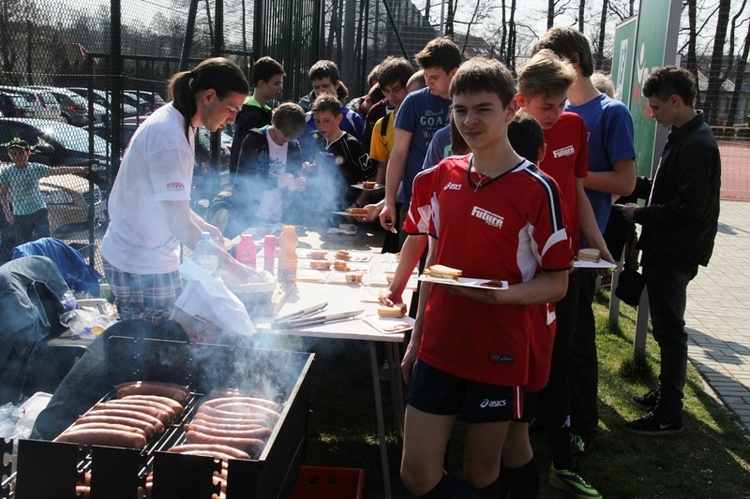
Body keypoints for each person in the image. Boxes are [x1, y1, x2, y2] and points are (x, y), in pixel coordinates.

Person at [396, 56, 571, 498]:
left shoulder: (538, 189)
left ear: (512, 108)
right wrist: (416, 338)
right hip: (440, 341)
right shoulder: (439, 177)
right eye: (460, 110)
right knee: (416, 473)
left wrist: (504, 297)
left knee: (481, 472)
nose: (469, 121)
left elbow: (558, 282)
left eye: (482, 109)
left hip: (499, 349)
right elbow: (433, 261)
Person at [516, 49, 613, 497]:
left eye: (561, 104)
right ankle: (520, 443)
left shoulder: (576, 125)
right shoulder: (512, 135)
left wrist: (599, 243)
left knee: (563, 352)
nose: (556, 115)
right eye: (546, 107)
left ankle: (562, 455)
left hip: (569, 265)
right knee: (527, 355)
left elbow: (576, 193)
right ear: (522, 101)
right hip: (526, 271)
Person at [533, 27, 637, 445]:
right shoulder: (538, 115)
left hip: (580, 248)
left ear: (572, 60)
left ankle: (581, 423)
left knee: (576, 340)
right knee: (548, 336)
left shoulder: (610, 113)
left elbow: (626, 182)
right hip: (543, 248)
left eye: (550, 60)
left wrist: (567, 173)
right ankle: (547, 418)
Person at [100, 57, 260, 324]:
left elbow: (171, 206)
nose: (233, 119)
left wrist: (206, 229)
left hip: (146, 257)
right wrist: (234, 269)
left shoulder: (179, 124)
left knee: (169, 343)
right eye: (231, 108)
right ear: (209, 96)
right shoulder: (170, 136)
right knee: (154, 352)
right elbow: (178, 222)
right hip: (139, 263)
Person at [31, 260, 256, 441]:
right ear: (203, 328)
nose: (221, 344)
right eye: (221, 336)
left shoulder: (153, 337)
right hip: (53, 446)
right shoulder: (135, 345)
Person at [619, 66, 721, 435]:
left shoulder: (697, 144)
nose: (653, 113)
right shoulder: (686, 136)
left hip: (675, 251)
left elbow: (686, 207)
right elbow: (670, 191)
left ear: (675, 101)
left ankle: (668, 412)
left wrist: (638, 212)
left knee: (670, 330)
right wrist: (634, 188)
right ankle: (665, 393)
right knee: (666, 327)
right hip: (670, 247)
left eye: (657, 107)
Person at [378, 37, 462, 246]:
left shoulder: (468, 102)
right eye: (425, 75)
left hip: (457, 202)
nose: (428, 81)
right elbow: (398, 153)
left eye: (434, 76)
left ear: (454, 72)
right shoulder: (414, 101)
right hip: (416, 200)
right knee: (409, 266)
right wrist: (389, 201)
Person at [222, 102, 307, 235]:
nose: (287, 139)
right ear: (274, 122)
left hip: (279, 218)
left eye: (291, 137)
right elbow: (244, 178)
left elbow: (294, 180)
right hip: (252, 215)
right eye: (284, 135)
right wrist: (276, 182)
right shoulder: (255, 139)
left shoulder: (293, 145)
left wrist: (295, 186)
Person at [0, 138, 89, 246]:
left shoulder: (35, 168)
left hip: (39, 210)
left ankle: (46, 258)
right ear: (10, 155)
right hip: (20, 214)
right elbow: (3, 195)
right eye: (14, 154)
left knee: (45, 240)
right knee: (23, 243)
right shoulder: (8, 173)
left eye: (20, 153)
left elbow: (57, 171)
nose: (18, 157)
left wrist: (79, 169)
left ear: (28, 153)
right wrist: (8, 213)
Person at [303, 94, 374, 225]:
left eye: (326, 120)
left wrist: (357, 204)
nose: (321, 126)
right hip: (322, 210)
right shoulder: (318, 141)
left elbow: (371, 178)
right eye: (317, 121)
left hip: (347, 212)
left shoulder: (351, 144)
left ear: (339, 118)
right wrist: (309, 167)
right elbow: (318, 169)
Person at [229, 56, 285, 171]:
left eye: (281, 83)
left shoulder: (265, 112)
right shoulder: (251, 116)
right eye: (276, 84)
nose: (280, 88)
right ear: (261, 83)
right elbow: (247, 157)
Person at [297, 60, 365, 142]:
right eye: (316, 87)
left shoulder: (352, 118)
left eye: (325, 86)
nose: (321, 91)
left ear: (336, 84)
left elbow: (360, 151)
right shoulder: (306, 119)